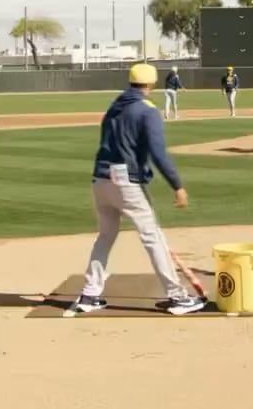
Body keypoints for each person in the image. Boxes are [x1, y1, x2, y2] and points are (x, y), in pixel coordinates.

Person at [68, 63, 205, 316]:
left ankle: (90, 293)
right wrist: (177, 185)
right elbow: (158, 153)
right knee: (152, 237)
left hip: (100, 179)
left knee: (105, 236)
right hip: (126, 181)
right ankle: (177, 297)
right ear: (152, 84)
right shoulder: (147, 110)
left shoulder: (115, 105)